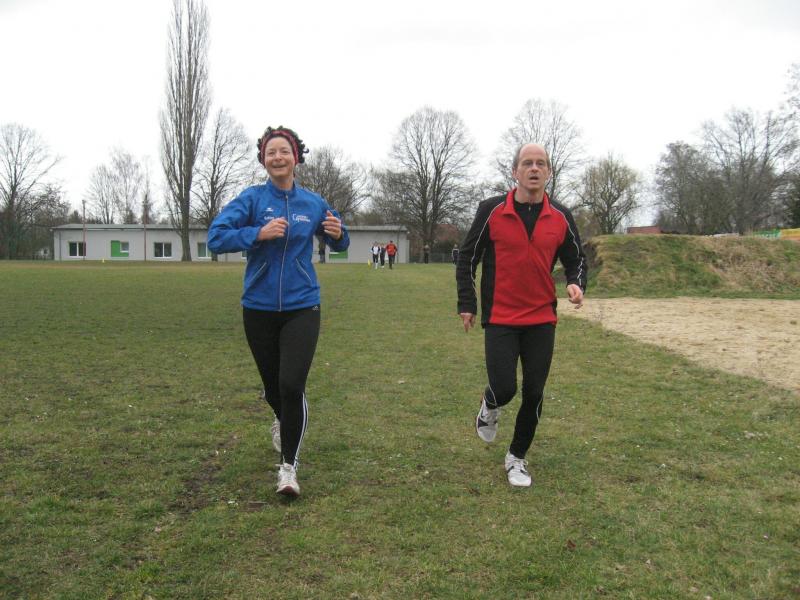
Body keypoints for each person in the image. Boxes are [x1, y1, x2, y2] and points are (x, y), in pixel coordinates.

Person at [208, 125, 349, 497]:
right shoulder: (251, 200)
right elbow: (215, 237)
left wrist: (339, 233)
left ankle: (288, 468)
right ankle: (281, 418)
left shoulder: (313, 203)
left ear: (295, 157)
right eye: (271, 152)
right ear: (263, 160)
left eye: (284, 151)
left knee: (291, 385)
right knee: (274, 389)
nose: (278, 157)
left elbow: (339, 239)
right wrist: (257, 233)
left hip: (303, 306)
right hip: (258, 308)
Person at [455, 143, 587, 488]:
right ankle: (490, 403)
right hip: (501, 315)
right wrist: (467, 302)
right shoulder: (491, 210)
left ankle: (516, 457)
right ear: (515, 171)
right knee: (504, 387)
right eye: (527, 163)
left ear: (549, 173)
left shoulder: (560, 216)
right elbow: (468, 257)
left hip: (541, 318)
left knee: (534, 391)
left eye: (541, 163)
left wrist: (576, 283)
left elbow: (576, 258)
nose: (534, 168)